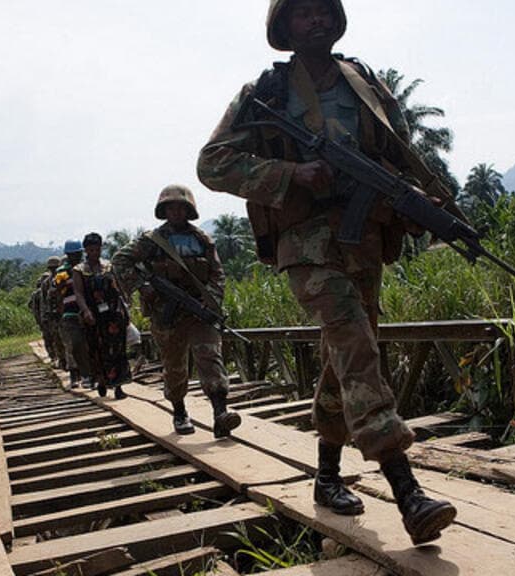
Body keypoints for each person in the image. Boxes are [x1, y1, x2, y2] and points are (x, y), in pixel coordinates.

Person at [196, 0, 458, 544]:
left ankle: (327, 476)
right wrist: (292, 172)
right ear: (284, 27)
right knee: (355, 344)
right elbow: (213, 162)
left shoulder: (364, 82)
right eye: (301, 13)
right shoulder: (265, 93)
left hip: (364, 238)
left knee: (345, 359)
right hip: (305, 241)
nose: (314, 20)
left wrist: (426, 202)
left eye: (323, 11)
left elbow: (399, 154)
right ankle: (406, 492)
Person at [113, 185, 241, 438]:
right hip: (166, 313)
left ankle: (220, 415)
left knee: (211, 357)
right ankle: (180, 411)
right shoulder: (151, 241)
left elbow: (218, 274)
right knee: (174, 366)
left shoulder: (203, 239)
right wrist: (142, 285)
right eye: (170, 207)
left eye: (181, 207)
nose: (176, 211)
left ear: (189, 210)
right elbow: (120, 260)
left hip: (198, 310)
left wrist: (212, 302)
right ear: (163, 210)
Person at [73, 232, 130, 399]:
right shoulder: (79, 270)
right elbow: (78, 293)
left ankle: (118, 385)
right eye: (90, 250)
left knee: (118, 349)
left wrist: (125, 309)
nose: (94, 253)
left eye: (97, 249)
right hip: (93, 315)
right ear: (85, 250)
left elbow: (117, 289)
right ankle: (102, 380)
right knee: (97, 349)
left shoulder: (108, 266)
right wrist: (85, 311)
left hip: (113, 313)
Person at [54, 239, 94, 388]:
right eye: (71, 255)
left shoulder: (86, 267)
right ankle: (82, 374)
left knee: (90, 344)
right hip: (70, 313)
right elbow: (56, 290)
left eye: (77, 254)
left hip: (88, 311)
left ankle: (91, 374)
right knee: (76, 344)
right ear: (67, 255)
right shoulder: (61, 271)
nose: (74, 257)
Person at [31, 256, 64, 368]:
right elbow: (44, 302)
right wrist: (45, 318)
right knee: (56, 339)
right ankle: (60, 359)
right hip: (52, 316)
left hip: (64, 313)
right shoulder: (46, 283)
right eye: (52, 268)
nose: (54, 270)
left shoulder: (64, 278)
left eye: (55, 268)